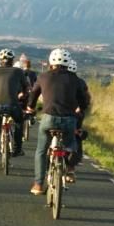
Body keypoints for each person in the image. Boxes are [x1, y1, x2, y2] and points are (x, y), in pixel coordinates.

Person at [26, 48, 88, 195]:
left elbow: (33, 95)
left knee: (41, 151)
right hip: (69, 121)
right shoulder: (75, 80)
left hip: (48, 119)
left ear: (50, 62)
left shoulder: (43, 77)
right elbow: (83, 102)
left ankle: (38, 184)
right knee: (71, 145)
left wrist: (30, 108)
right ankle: (69, 170)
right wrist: (80, 110)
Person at [0, 48, 28, 157]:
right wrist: (23, 93)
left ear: (0, 60)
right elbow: (25, 86)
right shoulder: (18, 71)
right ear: (12, 60)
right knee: (19, 122)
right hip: (12, 104)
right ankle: (18, 148)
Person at [67, 60, 91, 170]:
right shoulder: (81, 82)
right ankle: (77, 158)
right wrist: (81, 109)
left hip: (63, 112)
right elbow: (87, 99)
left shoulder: (63, 80)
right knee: (77, 133)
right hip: (78, 113)